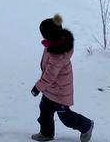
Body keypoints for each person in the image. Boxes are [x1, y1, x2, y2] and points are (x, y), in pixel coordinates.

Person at [30, 14, 94, 142]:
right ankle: (46, 133)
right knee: (45, 110)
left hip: (60, 91)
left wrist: (37, 87)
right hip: (50, 89)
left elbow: (50, 76)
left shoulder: (58, 55)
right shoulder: (54, 44)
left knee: (66, 118)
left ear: (50, 35)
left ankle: (86, 125)